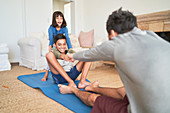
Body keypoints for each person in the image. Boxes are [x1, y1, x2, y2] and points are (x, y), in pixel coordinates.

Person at [59, 8, 170, 113]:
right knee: (123, 91)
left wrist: (72, 56)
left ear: (112, 33)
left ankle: (72, 90)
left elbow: (89, 54)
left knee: (94, 99)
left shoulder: (117, 44)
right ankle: (93, 88)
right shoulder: (153, 36)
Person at [41, 11, 73, 81]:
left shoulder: (65, 28)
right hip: (54, 45)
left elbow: (67, 38)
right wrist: (50, 47)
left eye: (61, 18)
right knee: (50, 58)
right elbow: (51, 38)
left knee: (64, 57)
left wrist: (70, 48)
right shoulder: (51, 28)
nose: (59, 20)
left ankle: (66, 71)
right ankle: (46, 74)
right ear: (54, 19)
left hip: (62, 45)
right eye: (57, 18)